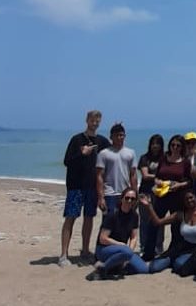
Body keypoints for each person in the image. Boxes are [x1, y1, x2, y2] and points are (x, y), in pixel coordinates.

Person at [60, 110, 111, 267]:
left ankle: (85, 250)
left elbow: (114, 151)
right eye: (92, 120)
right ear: (87, 120)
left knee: (89, 218)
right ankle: (63, 254)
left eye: (97, 121)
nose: (95, 123)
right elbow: (67, 161)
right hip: (76, 186)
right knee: (71, 217)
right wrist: (81, 153)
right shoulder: (77, 140)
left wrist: (117, 129)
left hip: (92, 187)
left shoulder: (102, 141)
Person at [139, 189, 196, 274]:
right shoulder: (180, 215)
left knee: (178, 265)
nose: (189, 201)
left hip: (195, 248)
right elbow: (158, 222)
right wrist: (149, 206)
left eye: (191, 198)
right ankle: (172, 260)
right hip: (179, 248)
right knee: (154, 267)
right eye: (186, 199)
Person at [94, 188, 164, 277]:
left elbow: (134, 237)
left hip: (123, 251)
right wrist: (122, 245)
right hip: (104, 249)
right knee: (126, 252)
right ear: (122, 199)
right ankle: (103, 267)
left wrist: (129, 251)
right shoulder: (112, 215)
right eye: (127, 198)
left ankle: (116, 267)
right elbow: (103, 239)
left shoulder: (134, 216)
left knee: (144, 269)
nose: (129, 200)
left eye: (132, 199)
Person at [145, 134, 192, 260]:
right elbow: (157, 176)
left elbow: (189, 181)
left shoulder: (185, 162)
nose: (175, 147)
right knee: (153, 223)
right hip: (162, 196)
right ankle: (148, 253)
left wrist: (179, 185)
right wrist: (158, 181)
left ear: (182, 147)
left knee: (176, 227)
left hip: (178, 196)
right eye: (173, 145)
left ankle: (174, 253)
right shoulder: (163, 159)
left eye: (178, 145)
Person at [95, 122, 138, 215]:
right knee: (109, 223)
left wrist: (135, 194)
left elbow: (133, 175)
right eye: (116, 135)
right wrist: (101, 197)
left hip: (126, 194)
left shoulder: (131, 153)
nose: (119, 137)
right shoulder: (104, 153)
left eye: (121, 135)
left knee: (125, 223)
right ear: (111, 137)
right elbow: (99, 176)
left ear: (124, 136)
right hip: (109, 193)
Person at [137, 134, 164, 260]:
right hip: (146, 192)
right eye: (153, 143)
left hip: (160, 193)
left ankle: (158, 247)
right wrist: (158, 177)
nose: (155, 146)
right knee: (144, 221)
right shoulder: (144, 158)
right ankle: (143, 247)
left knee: (159, 220)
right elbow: (145, 175)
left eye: (158, 143)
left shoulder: (165, 158)